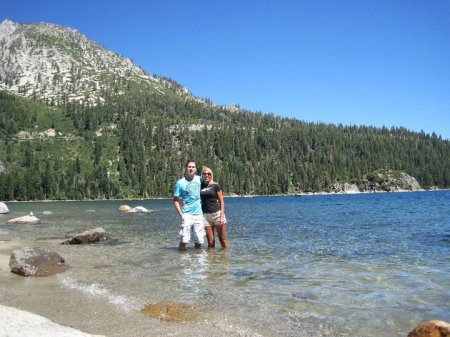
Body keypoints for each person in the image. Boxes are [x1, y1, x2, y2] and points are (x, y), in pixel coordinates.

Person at [173, 160, 205, 251]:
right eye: (189, 167)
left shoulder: (200, 179)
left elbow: (207, 189)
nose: (191, 168)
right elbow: (175, 200)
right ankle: (182, 260)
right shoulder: (180, 183)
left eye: (193, 167)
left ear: (196, 169)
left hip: (199, 214)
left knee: (199, 241)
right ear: (186, 168)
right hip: (187, 215)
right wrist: (181, 215)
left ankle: (197, 260)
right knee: (184, 240)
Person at [200, 167, 228, 248]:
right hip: (205, 216)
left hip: (217, 214)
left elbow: (221, 201)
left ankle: (224, 259)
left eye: (209, 174)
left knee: (222, 240)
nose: (206, 175)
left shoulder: (215, 185)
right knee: (211, 241)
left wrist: (222, 216)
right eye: (204, 174)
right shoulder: (200, 185)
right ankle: (212, 259)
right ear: (202, 175)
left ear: (211, 175)